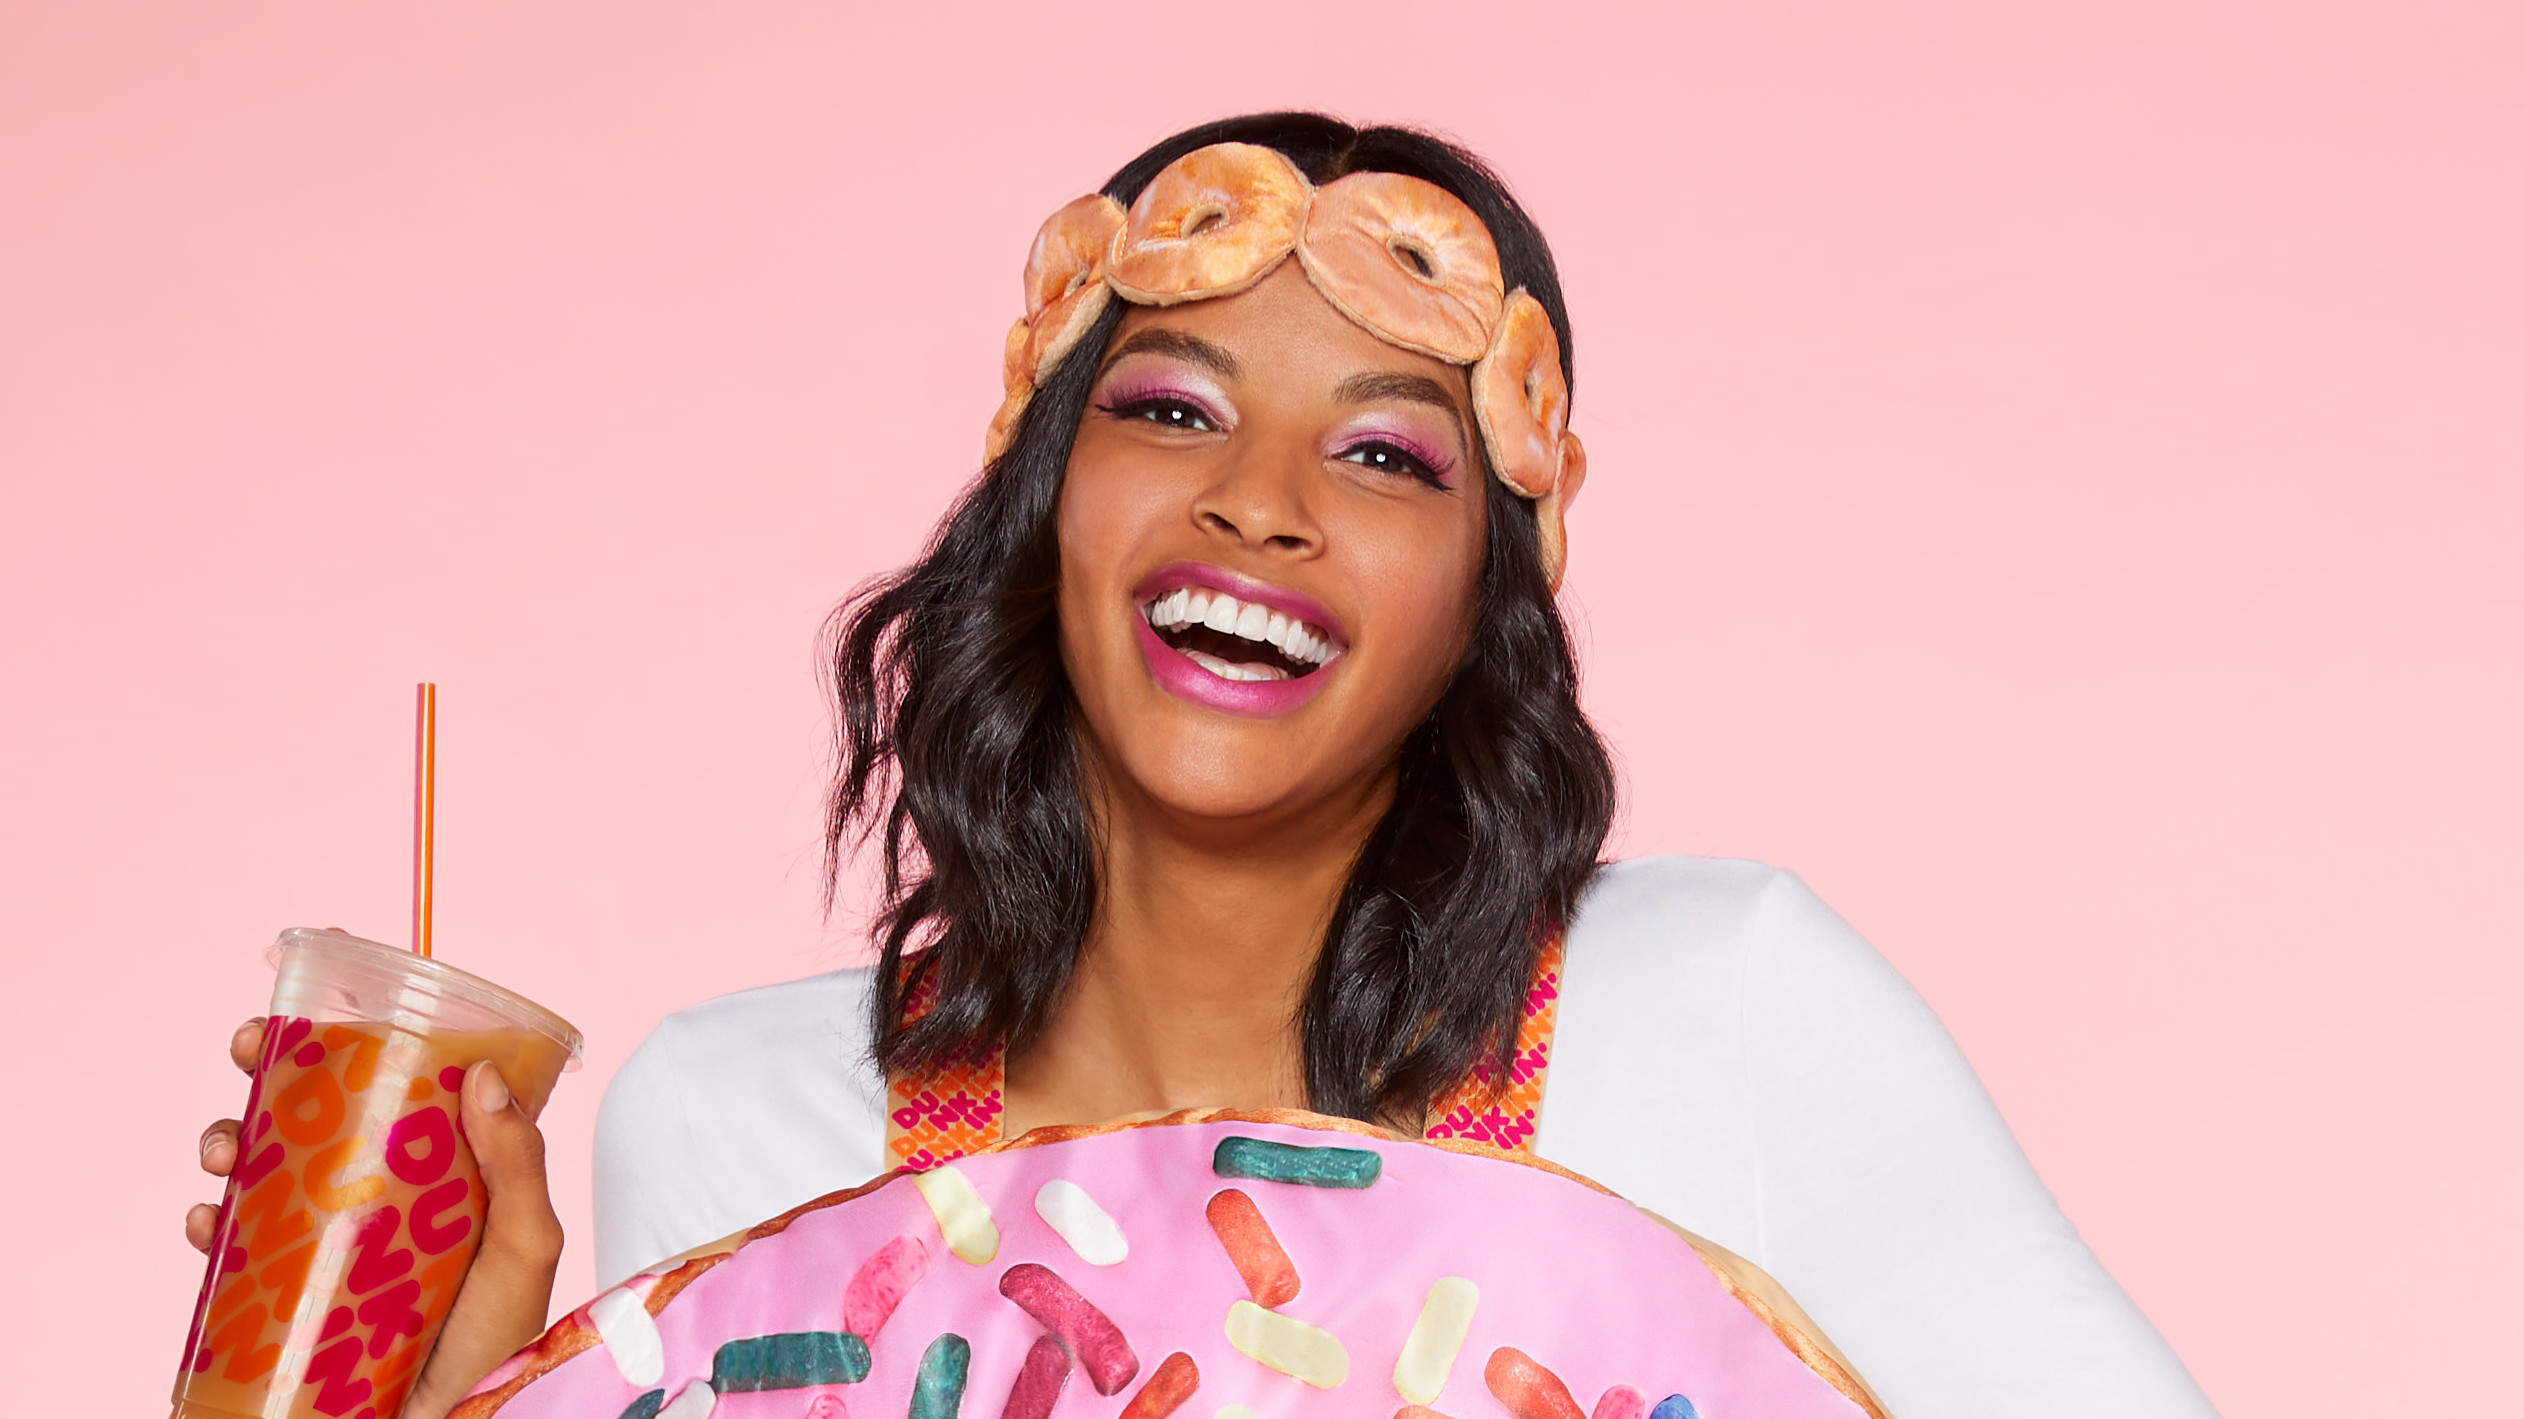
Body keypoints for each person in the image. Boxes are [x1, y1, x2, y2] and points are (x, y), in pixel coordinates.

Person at [188, 113, 2217, 1419]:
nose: (1259, 503)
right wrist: (475, 1404)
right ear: (1040, 494)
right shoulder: (741, 1122)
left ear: (1478, 598)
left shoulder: (1727, 1008)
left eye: (1381, 453)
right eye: (1169, 409)